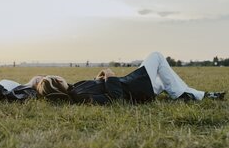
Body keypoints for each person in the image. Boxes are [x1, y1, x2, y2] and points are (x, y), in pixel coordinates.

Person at [36, 52, 225, 104]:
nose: (59, 76)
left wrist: (100, 78)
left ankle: (202, 96)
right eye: (55, 77)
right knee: (157, 56)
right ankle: (182, 94)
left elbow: (101, 90)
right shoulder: (80, 95)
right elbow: (114, 98)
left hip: (137, 88)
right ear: (57, 84)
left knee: (168, 82)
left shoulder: (76, 89)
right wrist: (110, 75)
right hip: (135, 88)